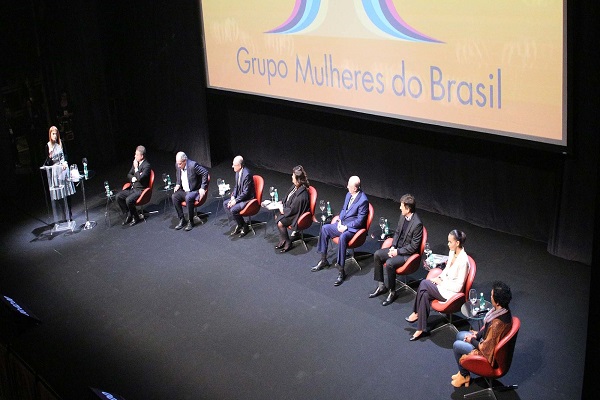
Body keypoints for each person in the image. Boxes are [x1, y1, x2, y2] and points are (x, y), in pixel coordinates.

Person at [405, 229, 469, 341]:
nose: (448, 244)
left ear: (457, 243)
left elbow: (459, 287)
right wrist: (439, 278)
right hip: (443, 286)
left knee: (424, 283)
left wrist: (441, 282)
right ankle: (421, 328)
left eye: (450, 242)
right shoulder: (452, 252)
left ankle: (416, 312)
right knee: (424, 294)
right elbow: (446, 270)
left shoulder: (464, 261)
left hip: (451, 293)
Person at [451, 281, 513, 388]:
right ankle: (462, 371)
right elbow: (487, 328)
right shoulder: (503, 310)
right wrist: (476, 336)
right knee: (460, 335)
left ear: (498, 302)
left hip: (488, 354)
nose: (490, 297)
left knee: (457, 345)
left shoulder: (497, 324)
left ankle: (464, 376)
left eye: (492, 296)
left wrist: (471, 340)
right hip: (486, 342)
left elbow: (486, 349)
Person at [311, 176, 369, 286]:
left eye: (349, 186)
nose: (347, 187)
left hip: (352, 229)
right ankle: (323, 260)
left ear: (355, 188)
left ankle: (341, 270)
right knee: (325, 228)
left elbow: (360, 221)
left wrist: (345, 227)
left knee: (343, 237)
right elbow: (343, 209)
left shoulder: (363, 201)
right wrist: (340, 220)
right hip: (342, 223)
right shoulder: (348, 195)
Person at [369, 194, 423, 306]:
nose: (399, 208)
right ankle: (381, 286)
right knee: (377, 254)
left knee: (389, 263)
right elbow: (397, 232)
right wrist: (393, 246)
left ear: (408, 208)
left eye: (401, 206)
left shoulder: (417, 224)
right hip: (397, 248)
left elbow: (414, 247)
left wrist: (397, 252)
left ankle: (392, 292)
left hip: (407, 254)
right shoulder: (402, 216)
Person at [274, 165, 311, 253]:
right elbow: (288, 197)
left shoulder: (301, 195)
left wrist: (282, 208)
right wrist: (282, 203)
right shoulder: (295, 186)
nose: (291, 177)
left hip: (297, 214)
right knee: (276, 216)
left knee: (280, 223)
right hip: (292, 209)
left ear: (298, 179)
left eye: (293, 176)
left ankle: (288, 242)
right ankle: (283, 239)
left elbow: (292, 210)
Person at [44, 126, 76, 221]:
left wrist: (65, 162)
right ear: (50, 135)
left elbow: (66, 154)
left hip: (63, 169)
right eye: (53, 134)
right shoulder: (48, 146)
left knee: (67, 193)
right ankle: (63, 212)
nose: (55, 135)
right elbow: (47, 162)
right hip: (55, 171)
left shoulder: (61, 143)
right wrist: (50, 155)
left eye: (56, 134)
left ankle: (69, 212)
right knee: (59, 194)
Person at [171, 151, 209, 231]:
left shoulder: (193, 165)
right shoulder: (178, 165)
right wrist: (178, 184)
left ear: (185, 161)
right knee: (174, 196)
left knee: (188, 197)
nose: (178, 166)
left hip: (194, 191)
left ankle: (190, 221)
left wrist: (202, 188)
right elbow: (178, 175)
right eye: (177, 164)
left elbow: (205, 173)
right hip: (184, 190)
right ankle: (182, 219)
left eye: (180, 164)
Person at [116, 145, 152, 226]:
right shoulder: (136, 163)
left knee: (128, 200)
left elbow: (140, 179)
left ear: (142, 156)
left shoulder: (147, 166)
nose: (135, 156)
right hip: (133, 188)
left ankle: (136, 217)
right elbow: (129, 174)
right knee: (118, 196)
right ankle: (129, 214)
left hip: (141, 190)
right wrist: (133, 178)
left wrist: (136, 168)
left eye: (136, 155)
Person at [224, 155, 255, 237]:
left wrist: (235, 201)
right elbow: (236, 187)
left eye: (234, 165)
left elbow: (246, 192)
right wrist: (233, 197)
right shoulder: (237, 172)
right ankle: (238, 224)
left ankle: (244, 226)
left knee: (233, 209)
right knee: (225, 204)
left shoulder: (247, 174)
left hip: (247, 199)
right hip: (240, 196)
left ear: (240, 165)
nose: (232, 166)